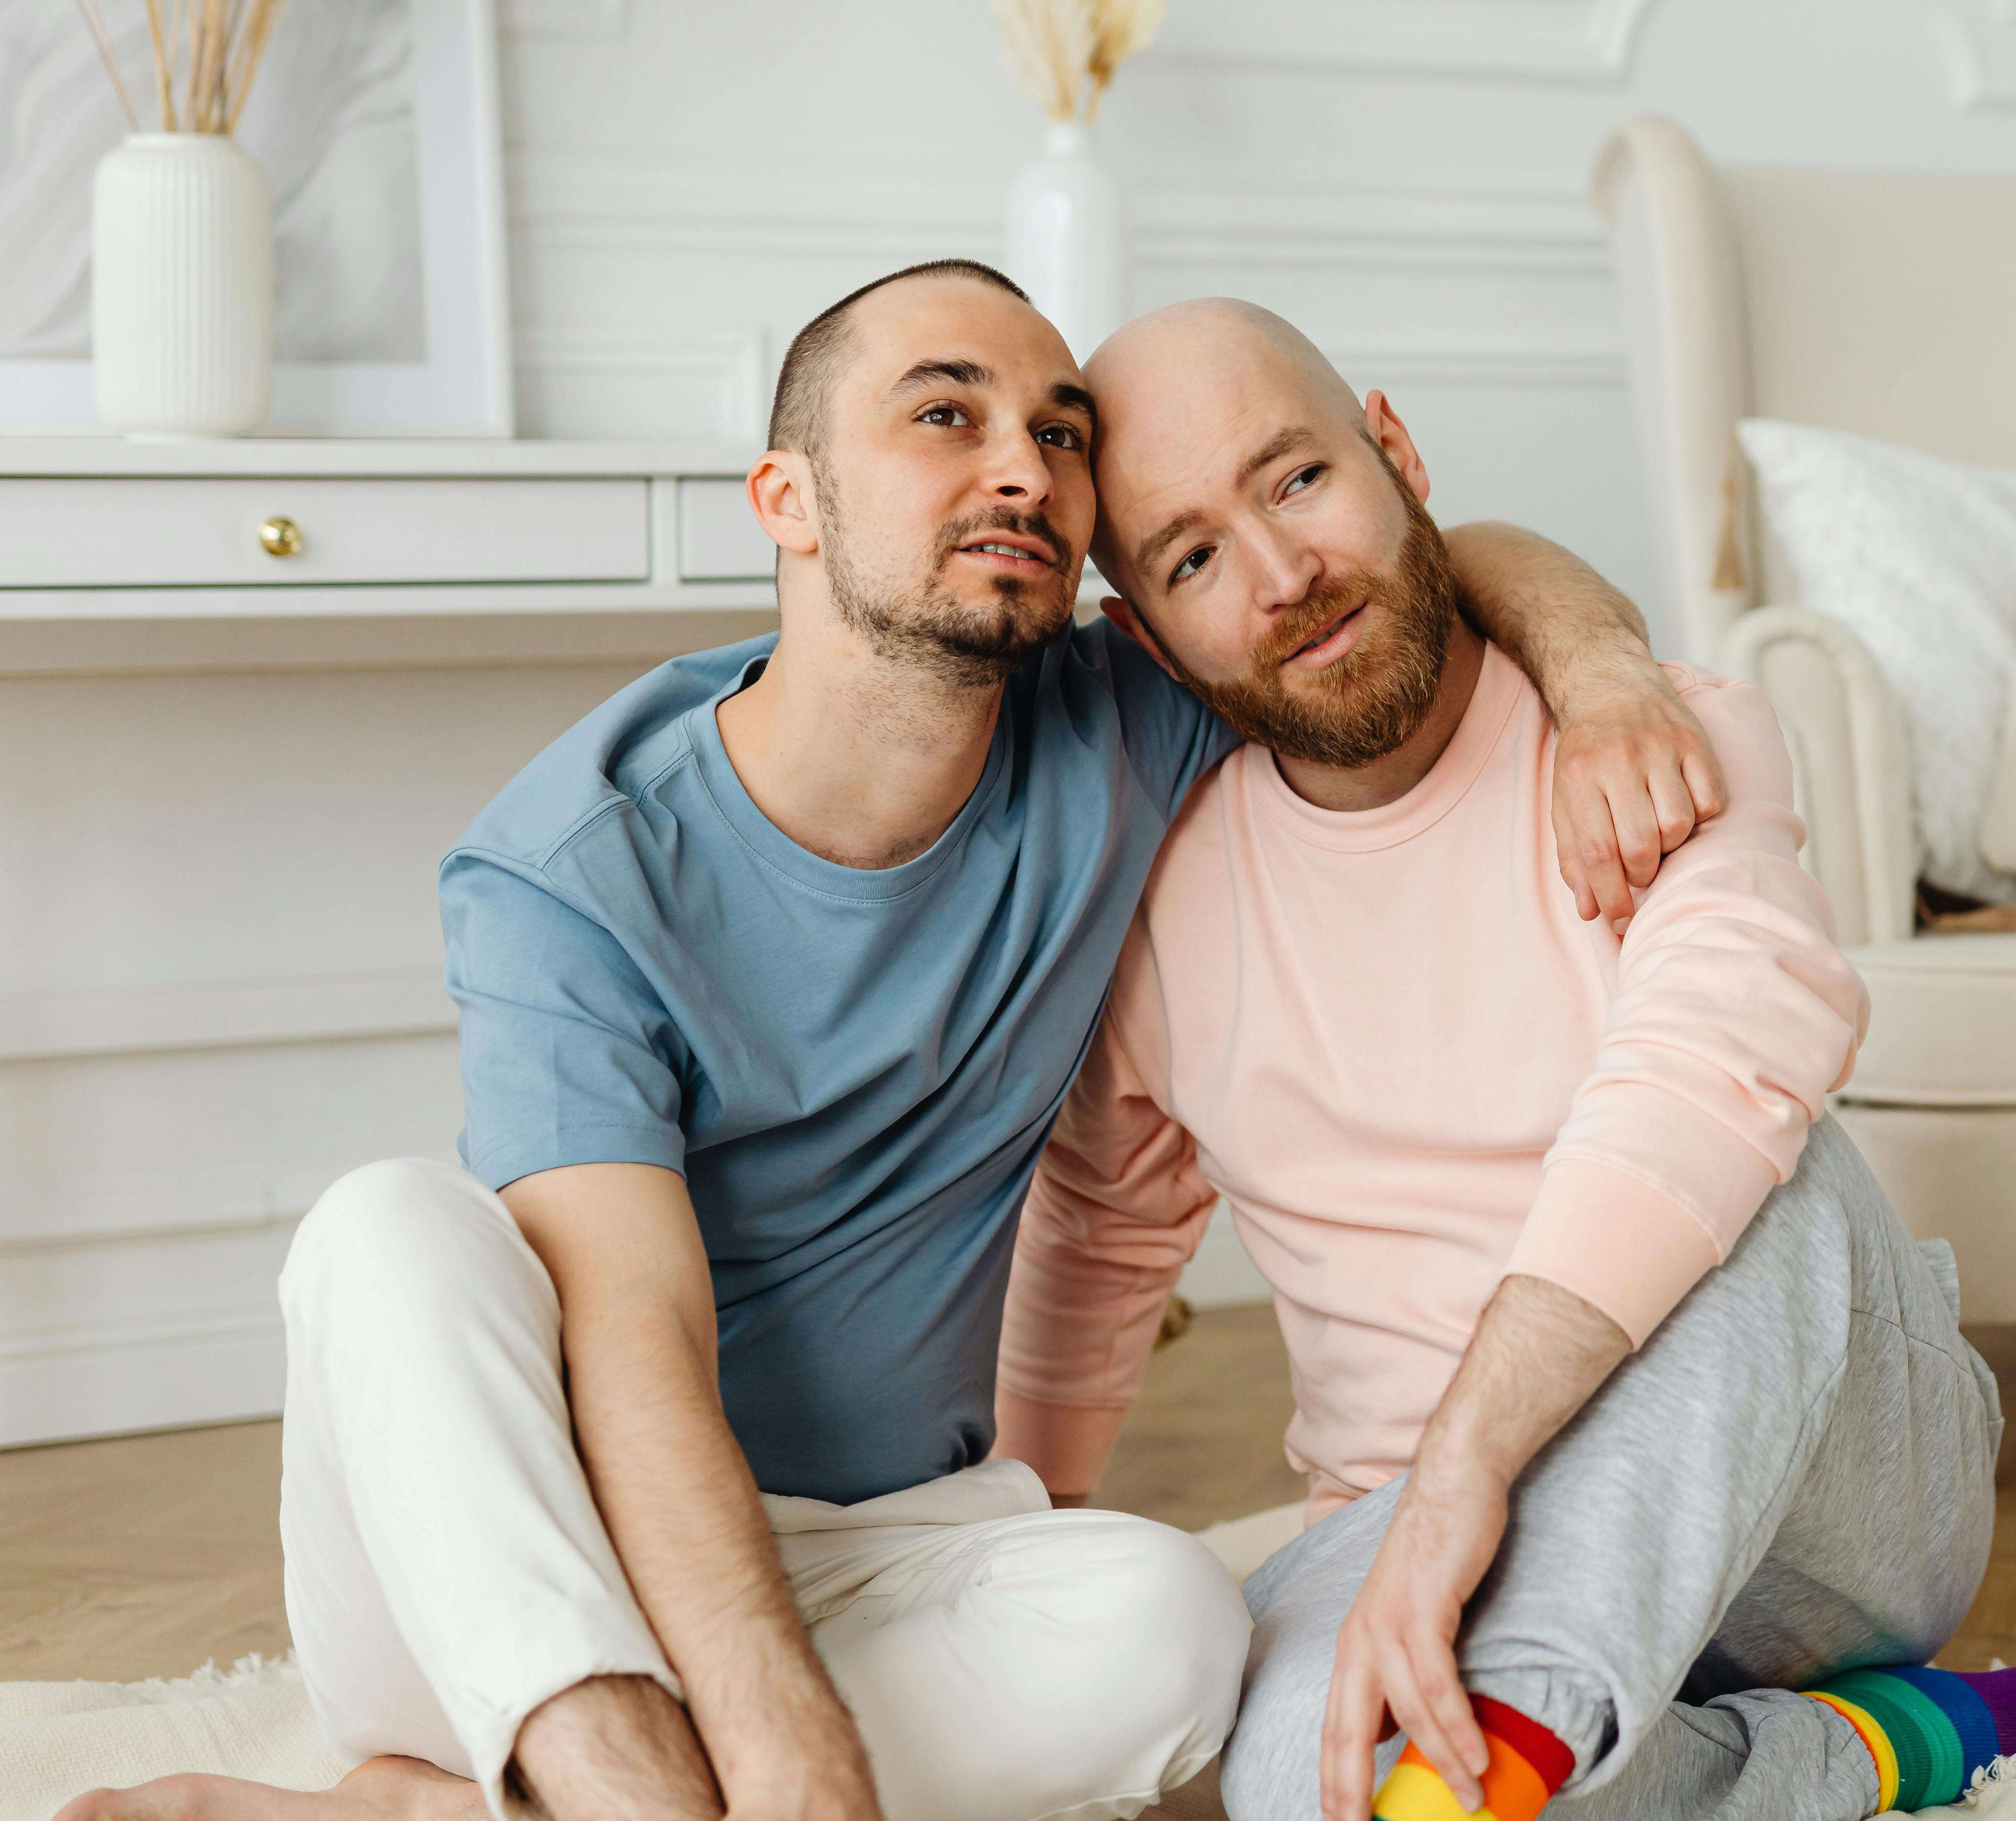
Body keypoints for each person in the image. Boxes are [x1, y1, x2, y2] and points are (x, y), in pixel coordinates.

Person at [60, 262, 1722, 1821]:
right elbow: (630, 1346)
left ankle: (446, 1807)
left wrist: (1605, 678)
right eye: (946, 415)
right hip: (526, 1551)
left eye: (1058, 433)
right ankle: (606, 1765)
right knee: (388, 1226)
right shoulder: (574, 867)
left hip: (879, 1553)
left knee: (1173, 1624)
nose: (1023, 464)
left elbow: (1418, 553)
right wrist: (792, 1754)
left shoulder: (1118, 720)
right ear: (786, 497)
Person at [1001, 299, 2016, 1821]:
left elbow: (1714, 1073)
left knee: (1752, 1173)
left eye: (1298, 479)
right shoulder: (1163, 899)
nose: (1280, 574)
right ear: (1142, 629)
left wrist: (1468, 1465)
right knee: (1299, 1775)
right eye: (1190, 558)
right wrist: (1014, 1555)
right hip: (1422, 1532)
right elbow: (1102, 1233)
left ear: (1395, 448)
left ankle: (1534, 1737)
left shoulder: (1655, 739)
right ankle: (1908, 1745)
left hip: (1821, 1502)